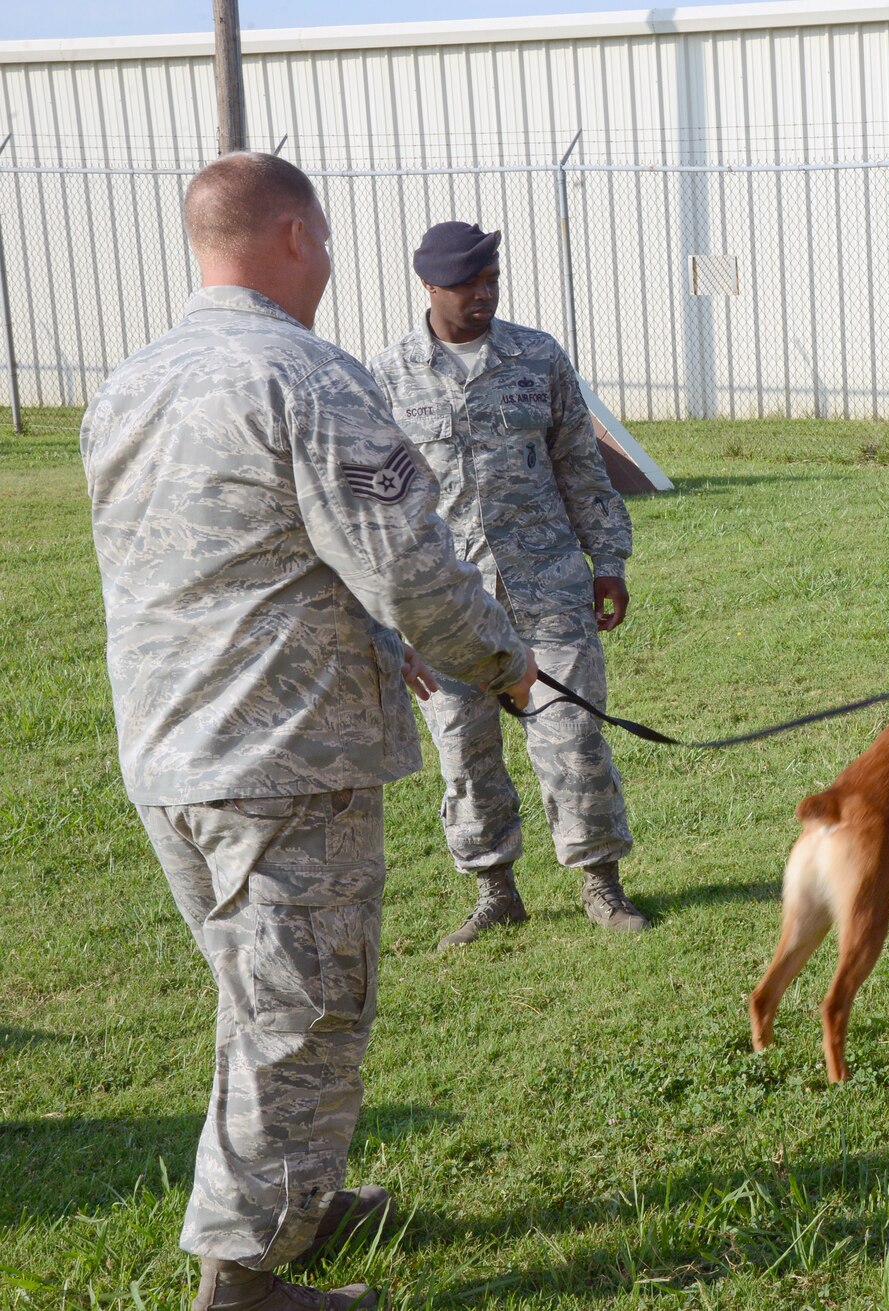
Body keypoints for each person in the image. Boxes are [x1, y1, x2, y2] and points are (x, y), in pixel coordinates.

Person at [80, 153, 537, 1310]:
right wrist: (501, 659)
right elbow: (408, 564)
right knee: (302, 1012)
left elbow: (232, 563)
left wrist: (385, 648)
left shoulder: (129, 384)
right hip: (285, 756)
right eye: (325, 241)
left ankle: (301, 1201)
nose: (330, 264)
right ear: (291, 236)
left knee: (268, 997)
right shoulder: (305, 375)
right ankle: (241, 1280)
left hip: (173, 755)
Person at [368, 222, 645, 947]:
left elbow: (581, 467)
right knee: (463, 748)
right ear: (429, 286)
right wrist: (390, 615)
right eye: (468, 282)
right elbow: (379, 507)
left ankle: (601, 882)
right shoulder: (388, 375)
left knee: (573, 734)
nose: (485, 292)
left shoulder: (537, 356)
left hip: (547, 585)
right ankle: (496, 889)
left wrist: (607, 559)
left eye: (492, 278)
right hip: (446, 601)